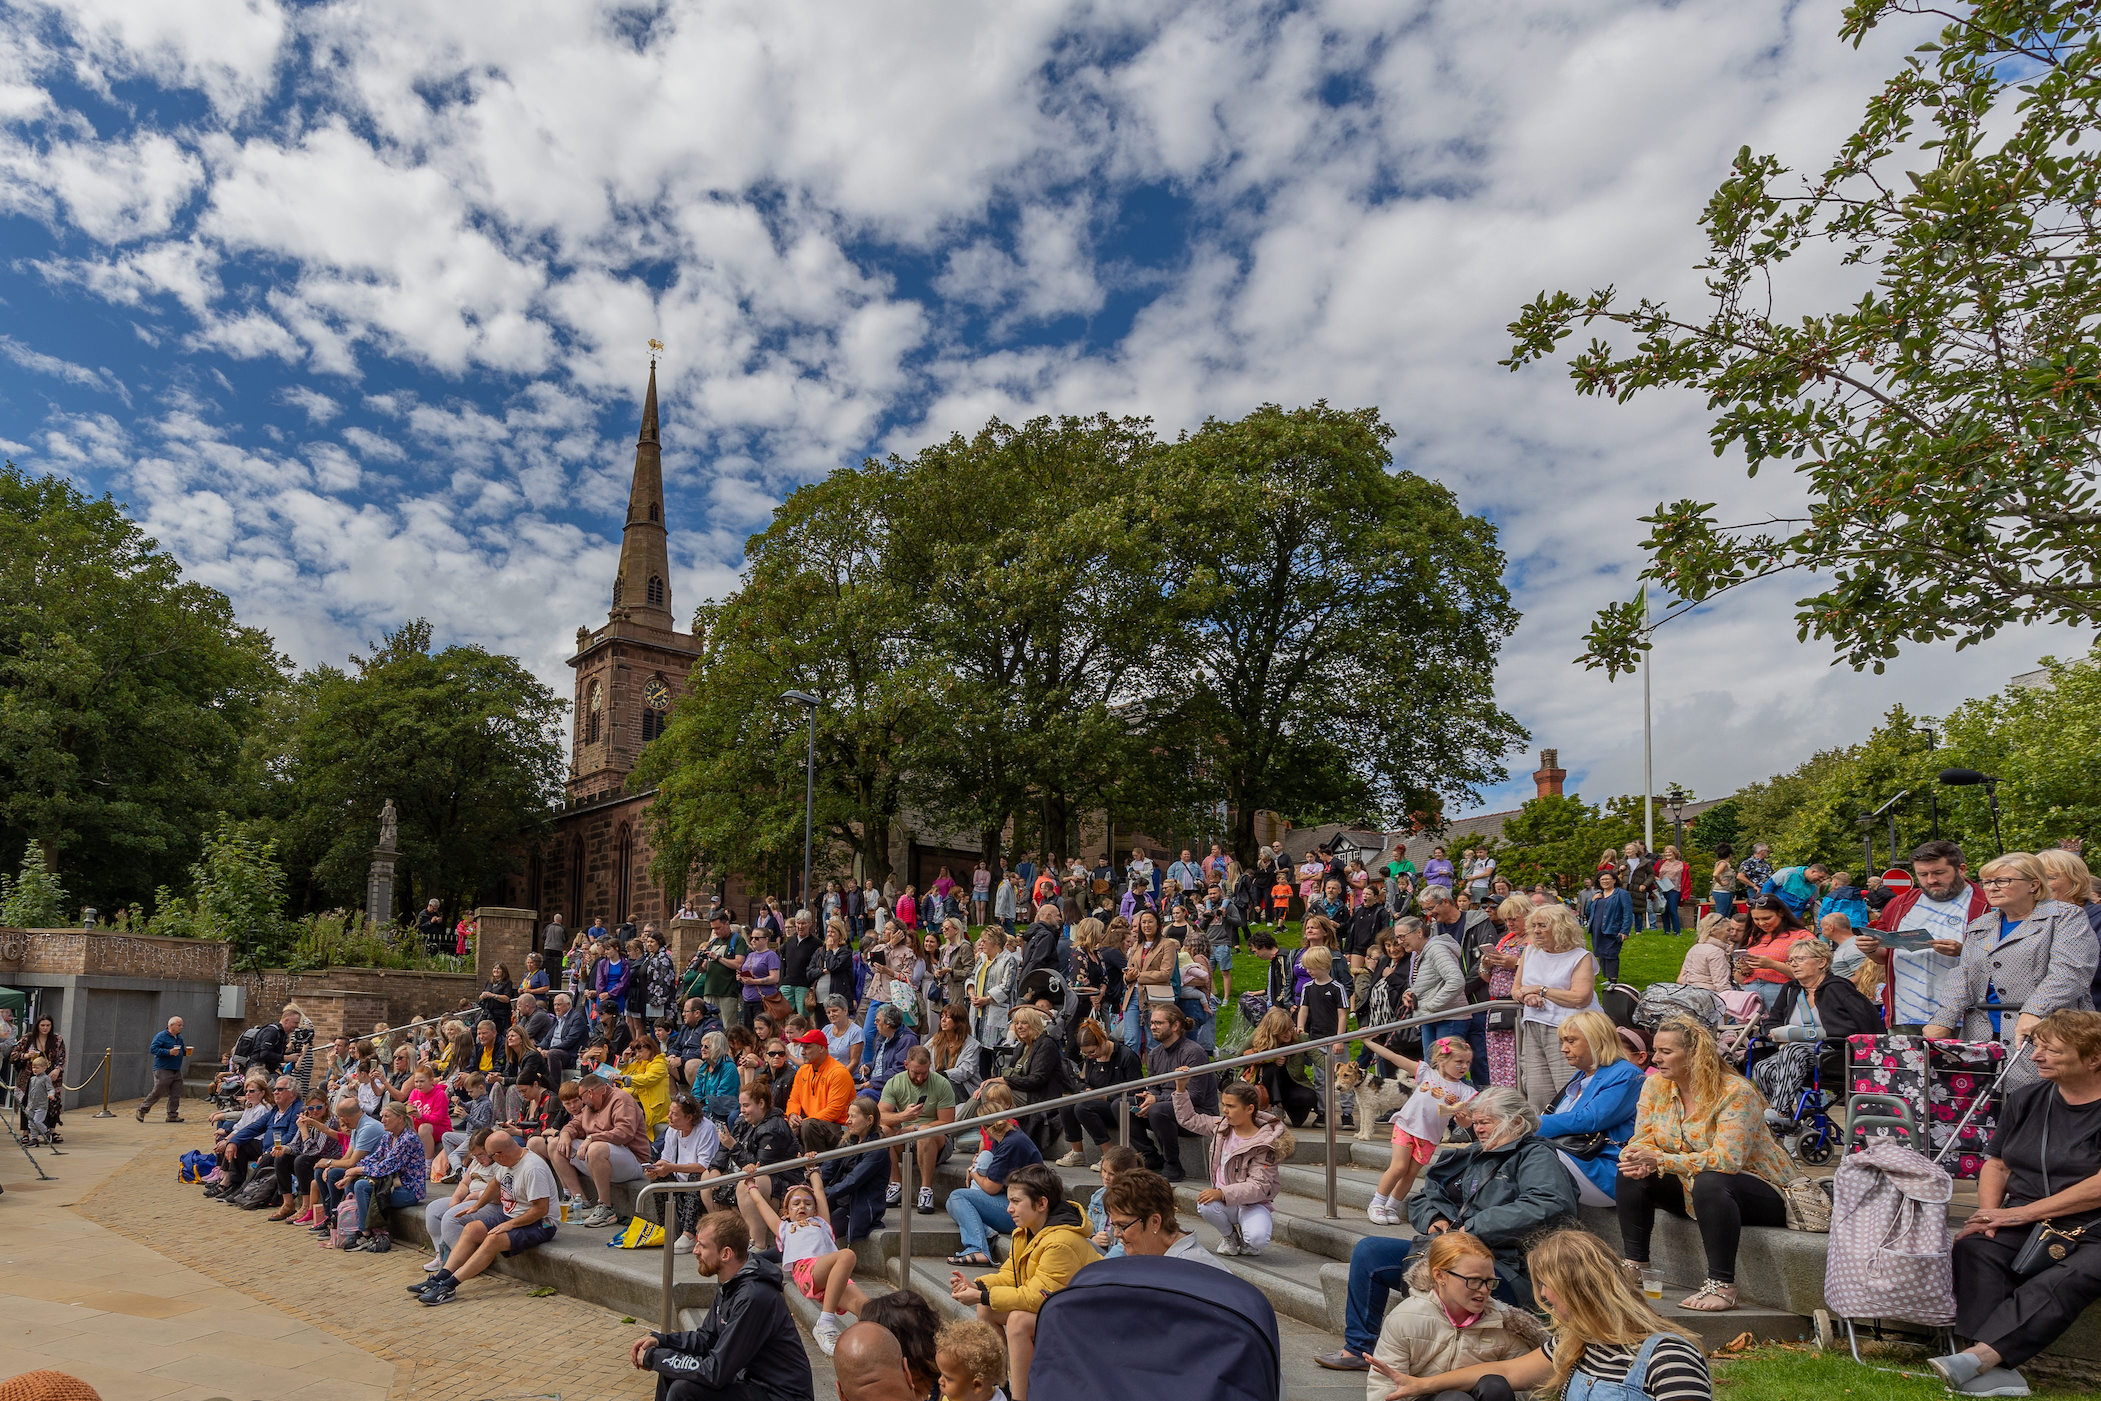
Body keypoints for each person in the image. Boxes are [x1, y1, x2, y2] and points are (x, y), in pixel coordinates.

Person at [1317, 1087, 1578, 1372]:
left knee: (1453, 1274)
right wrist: (1434, 1218)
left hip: (1502, 1266)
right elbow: (1426, 1194)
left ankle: (1434, 1361)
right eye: (1476, 1122)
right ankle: (1358, 1349)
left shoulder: (1534, 1154)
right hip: (1448, 1250)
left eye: (1485, 1122)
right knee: (1369, 1252)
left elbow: (1550, 1202)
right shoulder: (1473, 1153)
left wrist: (1473, 1228)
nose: (1477, 1129)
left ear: (1516, 1122)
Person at [1935, 1009, 2101, 1398]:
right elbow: (1998, 1163)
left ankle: (1979, 1358)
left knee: (2067, 1277)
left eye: (2051, 1050)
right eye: (2036, 1047)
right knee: (1978, 1247)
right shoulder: (2028, 1097)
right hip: (2027, 1218)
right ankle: (1993, 1370)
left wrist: (2020, 1213)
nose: (2036, 1057)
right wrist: (1987, 1217)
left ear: (2094, 1057)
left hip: (2094, 1227)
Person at [1364, 1229, 1712, 1401]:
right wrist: (1422, 1385)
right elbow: (1504, 1370)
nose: (1543, 1295)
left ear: (1581, 1291)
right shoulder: (1575, 1343)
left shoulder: (1669, 1356)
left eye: (1547, 1285)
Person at [1616, 1015, 1808, 1311]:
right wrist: (1636, 1156)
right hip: (1694, 1185)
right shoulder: (1655, 1085)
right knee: (1631, 1173)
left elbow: (1727, 1160)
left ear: (1694, 1055)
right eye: (1656, 1050)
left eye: (1666, 1052)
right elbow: (1642, 1137)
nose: (1656, 1059)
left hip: (1763, 1189)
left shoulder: (1734, 1092)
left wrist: (1660, 1159)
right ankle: (1635, 1264)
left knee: (1711, 1180)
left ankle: (1722, 1285)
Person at [1924, 852, 2099, 1087]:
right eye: (1987, 882)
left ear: (2033, 885)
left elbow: (2070, 971)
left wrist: (2035, 1010)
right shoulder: (1981, 924)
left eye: (2002, 881)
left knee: (2038, 1107)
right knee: (1985, 1113)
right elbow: (1963, 975)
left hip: (2045, 1033)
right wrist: (1943, 1020)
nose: (1992, 888)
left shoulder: (2064, 916)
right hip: (1983, 1035)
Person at [946, 1162, 1098, 1401]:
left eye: (1016, 1202)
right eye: (1009, 1201)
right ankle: (1003, 1385)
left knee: (1018, 1320)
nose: (1008, 1209)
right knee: (987, 1309)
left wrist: (981, 1296)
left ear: (1041, 1204)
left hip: (1086, 1321)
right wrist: (977, 1286)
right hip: (1059, 1312)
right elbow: (1011, 1276)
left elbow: (1037, 1298)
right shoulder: (1027, 1231)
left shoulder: (1061, 1241)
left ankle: (1020, 1398)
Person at [628, 1209, 815, 1401]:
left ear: (726, 1254)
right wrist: (662, 1342)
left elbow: (715, 1372)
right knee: (670, 1372)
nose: (695, 1251)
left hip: (780, 1395)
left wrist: (655, 1358)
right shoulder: (732, 1282)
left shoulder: (754, 1297)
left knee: (683, 1391)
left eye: (702, 1246)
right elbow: (707, 1338)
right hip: (752, 1383)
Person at [1362, 1230, 1549, 1401]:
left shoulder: (1504, 1321)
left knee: (1495, 1386)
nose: (1484, 1290)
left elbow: (1528, 1389)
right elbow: (1384, 1389)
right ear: (1440, 1276)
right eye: (1474, 1281)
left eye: (1490, 1282)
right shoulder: (1406, 1318)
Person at [1856, 838, 1988, 1032]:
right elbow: (1884, 956)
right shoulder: (1901, 904)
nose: (1931, 880)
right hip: (1905, 1013)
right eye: (1922, 874)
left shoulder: (1985, 903)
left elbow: (2006, 959)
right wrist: (1871, 949)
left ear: (1961, 869)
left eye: (1939, 873)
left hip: (1965, 1015)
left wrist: (1963, 951)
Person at [1172, 1077, 1293, 1256]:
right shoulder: (1222, 1127)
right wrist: (1181, 1088)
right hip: (1226, 1202)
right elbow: (1189, 1119)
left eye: (1231, 1106)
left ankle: (1248, 1238)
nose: (1225, 1111)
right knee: (1205, 1204)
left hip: (1254, 1203)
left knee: (1257, 1239)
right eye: (1224, 1104)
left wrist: (1222, 1193)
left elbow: (1259, 1186)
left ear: (1250, 1109)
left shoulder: (1266, 1143)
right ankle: (1229, 1236)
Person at [1364, 1035, 1477, 1225]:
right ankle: (1377, 1203)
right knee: (1399, 1167)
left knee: (1410, 1173)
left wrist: (1464, 1120)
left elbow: (1467, 1123)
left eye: (1467, 1062)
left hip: (1430, 1137)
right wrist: (1368, 1042)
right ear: (1442, 1060)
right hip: (1407, 1126)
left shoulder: (1464, 1091)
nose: (1464, 1066)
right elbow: (1393, 1057)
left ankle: (1392, 1206)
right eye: (1459, 1062)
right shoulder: (1426, 1073)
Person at [1536, 1010, 1645, 1208]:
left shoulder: (1628, 1074)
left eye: (1571, 1041)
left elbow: (1588, 1120)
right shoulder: (1581, 1075)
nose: (1563, 1049)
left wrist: (1528, 1124)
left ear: (1597, 1040)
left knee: (1529, 1153)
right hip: (1571, 1158)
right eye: (1562, 1041)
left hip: (1603, 1169)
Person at [1513, 904, 1601, 1111]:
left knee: (1567, 1089)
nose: (1536, 931)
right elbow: (1516, 989)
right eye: (1533, 925)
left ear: (1561, 928)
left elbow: (1580, 997)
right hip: (1534, 1026)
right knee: (1536, 1091)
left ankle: (1571, 1138)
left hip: (1568, 1030)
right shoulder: (1530, 952)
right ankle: (1542, 1138)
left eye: (1543, 925)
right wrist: (1527, 996)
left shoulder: (1580, 956)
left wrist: (1541, 990)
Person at [944, 1082, 1043, 1267]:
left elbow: (991, 1187)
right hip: (1017, 1201)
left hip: (1027, 1210)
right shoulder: (1005, 1136)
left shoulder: (1011, 1143)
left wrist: (974, 1173)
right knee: (952, 1202)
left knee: (957, 1197)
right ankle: (986, 1231)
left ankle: (977, 1248)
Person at [1764, 937, 1884, 1083]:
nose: (1793, 964)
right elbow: (1772, 1022)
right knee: (1762, 1068)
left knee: (1793, 1051)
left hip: (1834, 1051)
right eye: (1790, 960)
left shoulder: (1838, 988)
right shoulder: (1790, 989)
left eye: (1800, 959)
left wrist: (1797, 1035)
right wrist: (1777, 1037)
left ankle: (1779, 1107)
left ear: (1822, 962)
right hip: (1790, 1051)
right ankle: (1773, 1105)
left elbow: (1859, 1025)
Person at [550, 1073, 655, 1228]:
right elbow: (574, 1125)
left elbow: (624, 1133)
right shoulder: (591, 1106)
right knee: (554, 1144)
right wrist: (565, 1134)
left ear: (590, 1093)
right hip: (603, 1159)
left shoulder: (621, 1100)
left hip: (633, 1161)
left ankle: (606, 1208)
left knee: (595, 1148)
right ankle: (582, 1201)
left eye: (581, 1097)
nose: (581, 1102)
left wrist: (591, 1138)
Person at [1134, 1005, 1214, 1182]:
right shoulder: (1155, 1054)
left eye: (1158, 1023)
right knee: (1123, 1106)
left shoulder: (1194, 1052)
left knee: (1158, 1110)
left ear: (1175, 1026)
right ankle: (1151, 1156)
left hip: (1197, 1113)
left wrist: (1157, 1100)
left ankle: (1173, 1165)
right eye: (1152, 1022)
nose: (1152, 1026)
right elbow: (1154, 1087)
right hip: (1166, 1110)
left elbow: (1196, 1095)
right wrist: (1148, 1098)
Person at [1101, 1165, 1230, 1269]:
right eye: (1114, 1226)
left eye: (1123, 1226)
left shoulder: (1190, 1269)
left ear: (1155, 1222)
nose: (1116, 1233)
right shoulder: (1154, 1255)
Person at [878, 1046, 955, 1216]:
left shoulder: (941, 1083)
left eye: (924, 1073)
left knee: (924, 1135)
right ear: (906, 1065)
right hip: (905, 1139)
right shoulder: (895, 1082)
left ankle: (926, 1189)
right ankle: (895, 1183)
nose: (920, 1078)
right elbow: (880, 1116)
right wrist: (903, 1116)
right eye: (915, 1073)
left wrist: (916, 1128)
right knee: (882, 1130)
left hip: (936, 1141)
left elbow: (948, 1122)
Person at [1732, 894, 1810, 1015]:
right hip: (1751, 995)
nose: (1762, 923)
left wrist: (1772, 964)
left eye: (1767, 918)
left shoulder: (1801, 936)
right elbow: (1739, 979)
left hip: (1782, 992)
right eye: (1756, 919)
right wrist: (1743, 970)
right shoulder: (1754, 937)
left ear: (1781, 913)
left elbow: (1809, 973)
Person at [784, 1027, 854, 1153]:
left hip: (840, 1128)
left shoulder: (838, 1072)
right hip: (812, 1124)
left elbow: (833, 1112)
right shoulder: (803, 1071)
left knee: (808, 1126)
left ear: (821, 1048)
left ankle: (817, 1169)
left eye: (807, 1047)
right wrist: (792, 1115)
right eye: (802, 1047)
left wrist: (801, 1124)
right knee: (781, 1124)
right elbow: (794, 1099)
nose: (803, 1052)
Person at [935, 1318, 1010, 1401]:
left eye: (948, 1378)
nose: (940, 1381)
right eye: (941, 1374)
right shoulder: (957, 1396)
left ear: (976, 1385)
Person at [137, 1015, 193, 1123]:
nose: (181, 1027)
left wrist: (186, 1052)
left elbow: (180, 1050)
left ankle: (172, 1115)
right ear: (171, 1025)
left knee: (176, 1093)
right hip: (163, 1069)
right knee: (158, 1091)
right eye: (179, 1025)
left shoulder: (179, 1037)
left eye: (182, 1025)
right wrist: (168, 1052)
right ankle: (142, 1109)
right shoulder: (161, 1036)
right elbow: (153, 1049)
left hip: (176, 1069)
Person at [1584, 869, 1633, 983]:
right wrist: (1592, 901)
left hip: (1613, 929)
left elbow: (1627, 913)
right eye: (1602, 879)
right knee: (1601, 954)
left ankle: (1613, 980)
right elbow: (1588, 912)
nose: (1605, 881)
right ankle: (1607, 977)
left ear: (1614, 880)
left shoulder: (1622, 894)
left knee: (1611, 954)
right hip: (1597, 929)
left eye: (1607, 879)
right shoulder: (1598, 895)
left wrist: (1625, 931)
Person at [1676, 914, 1737, 995]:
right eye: (1728, 930)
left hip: (1690, 993)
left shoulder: (1694, 948)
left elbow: (1682, 978)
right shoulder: (1716, 952)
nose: (1731, 934)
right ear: (1714, 931)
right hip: (1710, 996)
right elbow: (1722, 984)